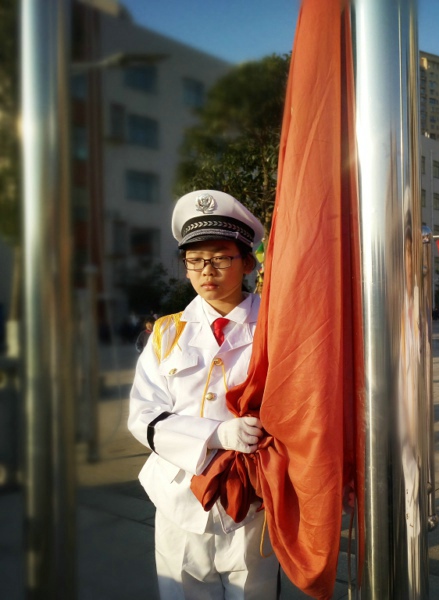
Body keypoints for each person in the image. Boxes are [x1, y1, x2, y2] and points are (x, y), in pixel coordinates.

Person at [128, 190, 279, 599]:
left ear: (247, 262)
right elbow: (143, 416)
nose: (206, 271)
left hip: (252, 502)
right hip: (179, 497)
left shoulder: (277, 329)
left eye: (220, 258)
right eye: (194, 260)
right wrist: (214, 435)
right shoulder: (168, 332)